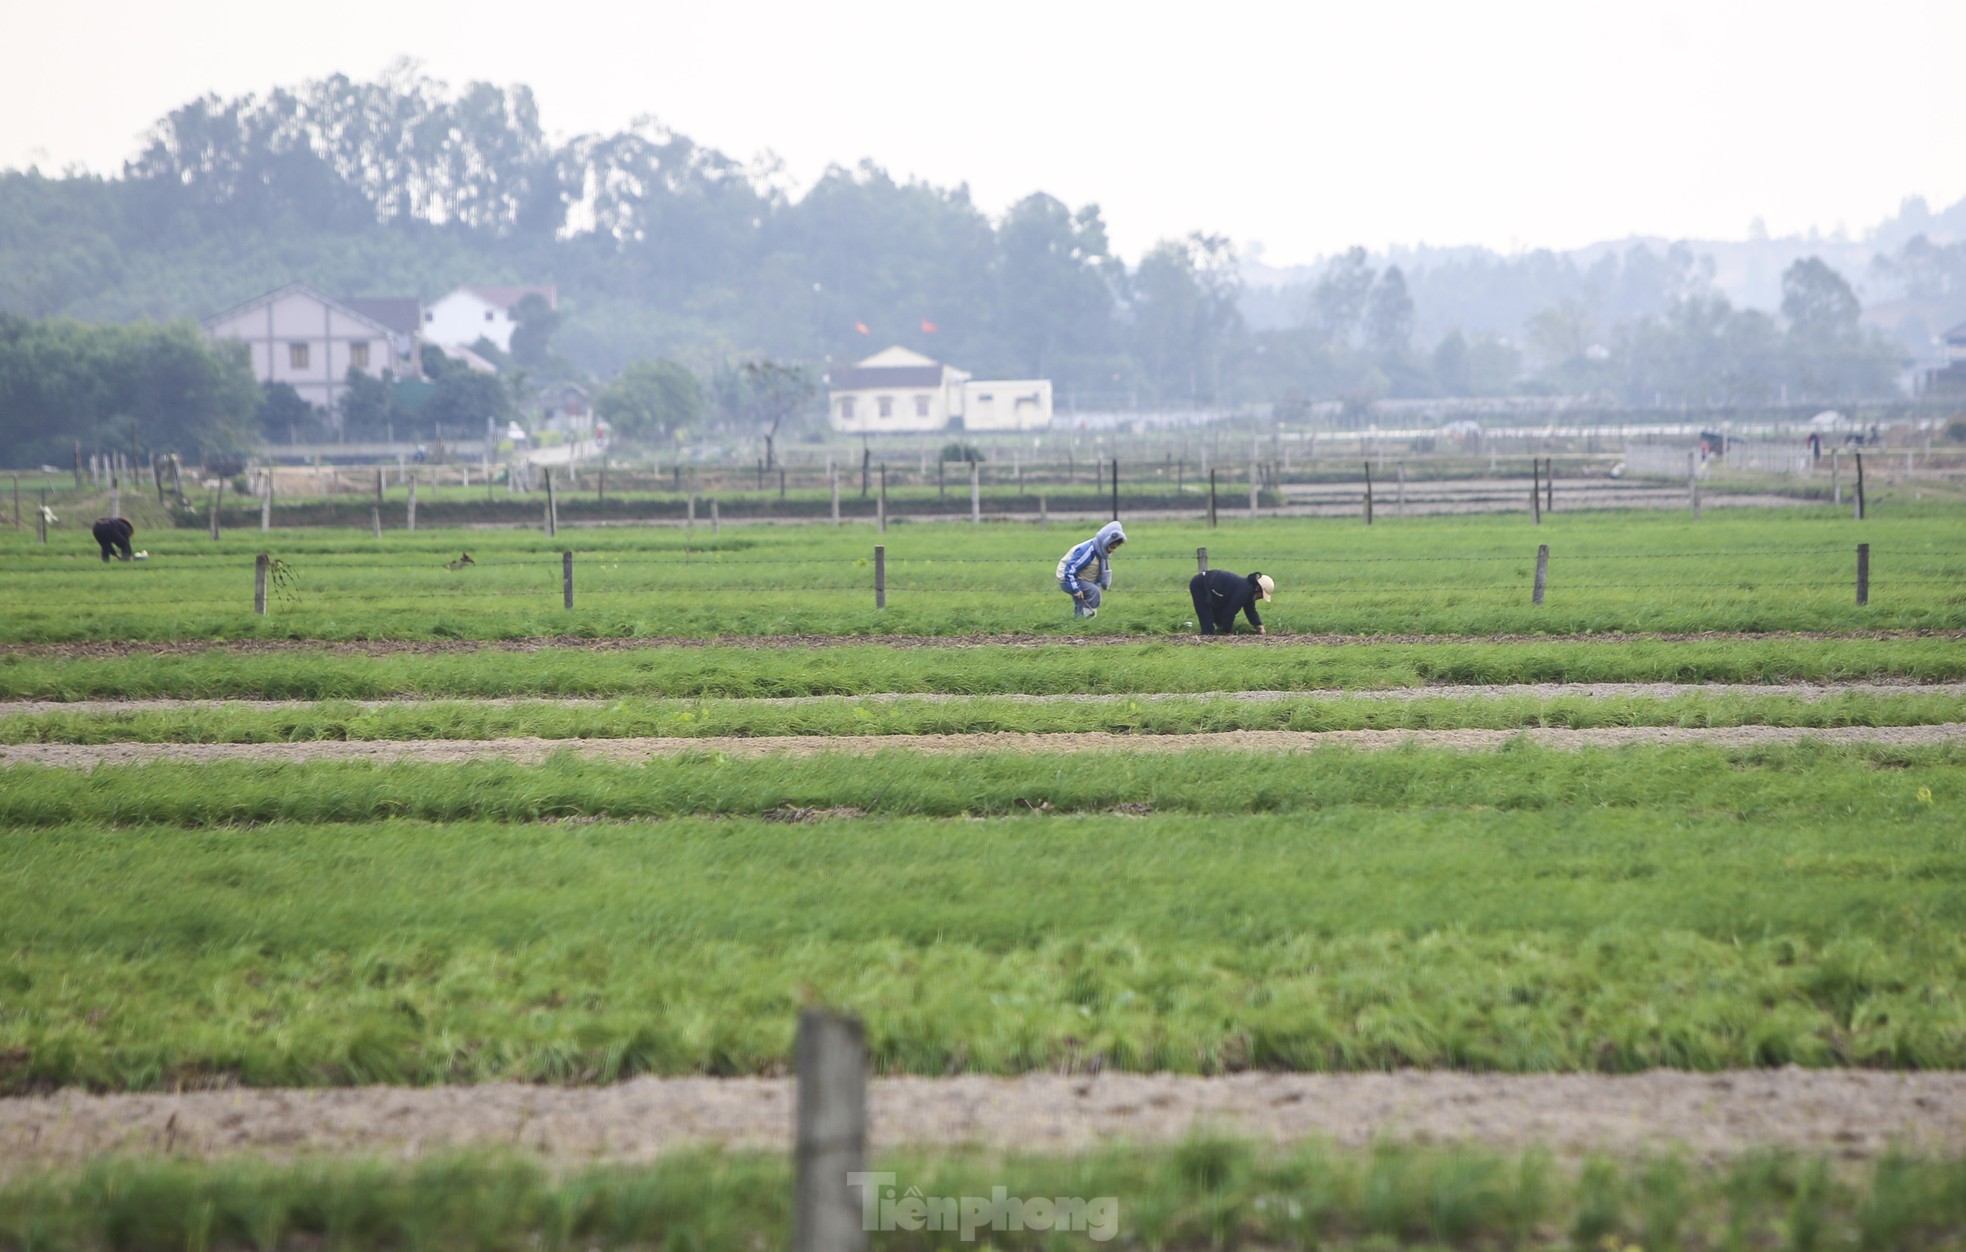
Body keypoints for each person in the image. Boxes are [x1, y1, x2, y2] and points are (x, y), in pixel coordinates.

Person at [1056, 521, 1126, 619]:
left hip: (1081, 578)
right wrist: (1075, 588)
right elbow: (1071, 569)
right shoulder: (1088, 551)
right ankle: (1088, 620)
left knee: (1083, 599)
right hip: (1067, 578)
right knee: (1093, 592)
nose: (1112, 551)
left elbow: (1097, 573)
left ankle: (1080, 623)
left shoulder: (1102, 552)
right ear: (1105, 541)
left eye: (1115, 548)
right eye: (1111, 547)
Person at [1189, 569, 1273, 636]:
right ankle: (1207, 641)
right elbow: (1230, 612)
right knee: (1208, 626)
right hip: (1201, 585)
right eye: (1261, 596)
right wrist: (1227, 632)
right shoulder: (1244, 591)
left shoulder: (1248, 590)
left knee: (1220, 620)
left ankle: (1218, 632)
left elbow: (1250, 611)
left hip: (1214, 591)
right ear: (1258, 588)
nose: (1260, 598)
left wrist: (1259, 626)